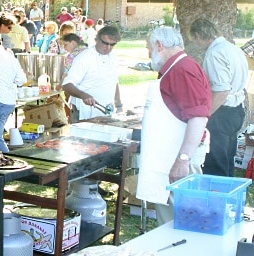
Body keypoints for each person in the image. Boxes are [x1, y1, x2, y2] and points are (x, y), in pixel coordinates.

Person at [137, 27, 211, 225]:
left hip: (177, 158)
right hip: (167, 156)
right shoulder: (174, 68)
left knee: (184, 223)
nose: (148, 53)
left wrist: (183, 159)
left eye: (148, 48)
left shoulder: (182, 70)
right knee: (172, 221)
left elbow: (198, 118)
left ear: (159, 45)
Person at [189, 18, 247, 177]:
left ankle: (217, 199)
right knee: (227, 160)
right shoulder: (233, 48)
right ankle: (228, 198)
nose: (197, 43)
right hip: (236, 110)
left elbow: (221, 91)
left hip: (222, 111)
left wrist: (205, 116)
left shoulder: (215, 53)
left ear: (200, 35)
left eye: (195, 39)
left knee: (216, 164)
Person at [62, 26, 123, 122]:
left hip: (106, 110)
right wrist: (83, 95)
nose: (108, 47)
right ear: (97, 39)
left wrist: (119, 105)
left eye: (112, 44)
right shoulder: (84, 57)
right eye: (105, 43)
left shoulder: (113, 57)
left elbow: (114, 82)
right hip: (84, 112)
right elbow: (66, 85)